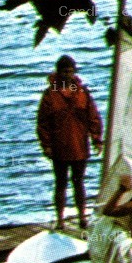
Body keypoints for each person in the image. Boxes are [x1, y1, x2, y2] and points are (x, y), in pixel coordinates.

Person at [36, 55, 103, 229]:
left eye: (71, 71)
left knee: (79, 181)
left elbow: (93, 116)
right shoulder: (50, 95)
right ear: (58, 73)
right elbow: (43, 123)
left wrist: (97, 139)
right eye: (65, 72)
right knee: (60, 183)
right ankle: (60, 219)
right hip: (59, 146)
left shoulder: (82, 92)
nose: (68, 75)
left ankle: (82, 216)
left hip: (79, 144)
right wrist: (46, 145)